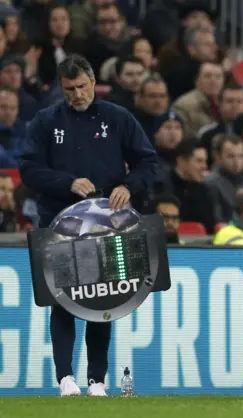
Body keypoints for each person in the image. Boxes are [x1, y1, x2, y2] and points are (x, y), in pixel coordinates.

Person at [18, 54, 158, 397]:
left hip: (106, 224)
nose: (77, 94)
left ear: (94, 82)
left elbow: (148, 162)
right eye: (69, 89)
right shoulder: (46, 121)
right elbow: (28, 169)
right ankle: (65, 378)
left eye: (82, 86)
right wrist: (66, 183)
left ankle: (97, 380)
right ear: (61, 88)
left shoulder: (118, 118)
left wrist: (129, 186)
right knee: (63, 301)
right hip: (60, 223)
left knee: (103, 302)